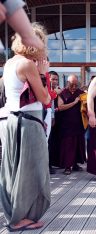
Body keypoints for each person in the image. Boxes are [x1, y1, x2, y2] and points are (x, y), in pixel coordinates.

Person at [0, 22, 51, 232]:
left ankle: (13, 215)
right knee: (31, 171)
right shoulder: (28, 65)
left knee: (12, 170)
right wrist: (42, 73)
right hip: (27, 121)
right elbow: (45, 98)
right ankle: (19, 219)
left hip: (11, 120)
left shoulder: (10, 63)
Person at [58, 74, 86, 175]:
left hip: (78, 123)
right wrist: (74, 102)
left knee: (78, 144)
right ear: (67, 83)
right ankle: (67, 166)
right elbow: (60, 107)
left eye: (76, 84)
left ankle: (75, 164)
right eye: (71, 84)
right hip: (66, 124)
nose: (74, 87)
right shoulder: (63, 93)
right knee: (68, 145)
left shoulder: (80, 93)